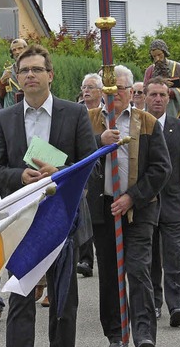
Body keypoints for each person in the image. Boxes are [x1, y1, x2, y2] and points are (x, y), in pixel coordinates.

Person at [0, 44, 96, 347]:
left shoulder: (74, 113)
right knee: (20, 299)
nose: (30, 75)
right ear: (17, 79)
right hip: (21, 220)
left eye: (37, 69)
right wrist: (19, 175)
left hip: (62, 216)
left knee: (62, 302)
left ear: (51, 75)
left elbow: (91, 164)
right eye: (24, 70)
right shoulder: (5, 118)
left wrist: (60, 171)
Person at [87, 65, 171, 347]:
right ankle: (115, 334)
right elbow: (74, 158)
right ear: (101, 92)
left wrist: (132, 196)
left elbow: (161, 168)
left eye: (121, 89)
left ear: (130, 91)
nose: (115, 94)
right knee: (109, 275)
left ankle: (144, 334)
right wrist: (99, 142)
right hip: (103, 210)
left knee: (137, 270)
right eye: (109, 89)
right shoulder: (88, 121)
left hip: (139, 210)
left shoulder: (146, 122)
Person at [145, 78, 180, 328]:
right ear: (145, 97)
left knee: (174, 254)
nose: (157, 99)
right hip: (145, 204)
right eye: (153, 94)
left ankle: (175, 304)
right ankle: (154, 302)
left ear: (169, 99)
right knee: (151, 257)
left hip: (174, 202)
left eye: (162, 95)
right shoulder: (138, 127)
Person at [77, 72, 104, 277]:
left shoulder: (107, 113)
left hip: (103, 172)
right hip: (83, 170)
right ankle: (85, 259)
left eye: (91, 87)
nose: (86, 91)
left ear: (101, 91)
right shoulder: (76, 112)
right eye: (84, 87)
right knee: (83, 211)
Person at [142, 39, 180, 119]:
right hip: (153, 113)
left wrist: (168, 91)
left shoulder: (177, 67)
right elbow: (145, 91)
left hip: (175, 112)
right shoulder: (150, 70)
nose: (157, 59)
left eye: (159, 55)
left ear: (165, 53)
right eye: (154, 56)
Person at [0, 38, 27, 107]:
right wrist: (2, 83)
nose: (17, 52)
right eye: (14, 50)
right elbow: (1, 95)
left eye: (20, 48)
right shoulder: (8, 70)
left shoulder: (35, 68)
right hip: (10, 109)